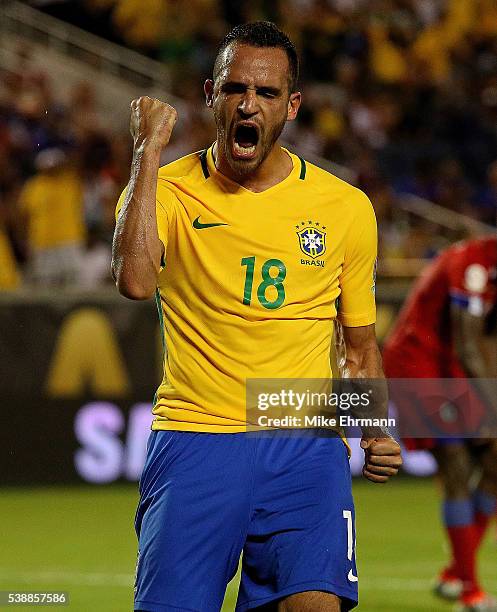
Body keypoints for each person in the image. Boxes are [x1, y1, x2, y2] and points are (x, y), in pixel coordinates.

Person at [112, 21, 402, 612]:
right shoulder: (163, 190)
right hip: (197, 438)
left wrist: (372, 427)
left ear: (292, 106)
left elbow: (360, 345)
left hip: (304, 442)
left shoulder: (344, 209)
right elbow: (136, 281)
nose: (249, 104)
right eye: (235, 88)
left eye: (267, 94)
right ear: (211, 95)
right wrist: (145, 153)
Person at [383, 236, 497, 612]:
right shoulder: (472, 263)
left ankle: (454, 572)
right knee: (457, 467)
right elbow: (468, 344)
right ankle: (470, 593)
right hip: (419, 368)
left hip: (457, 369)